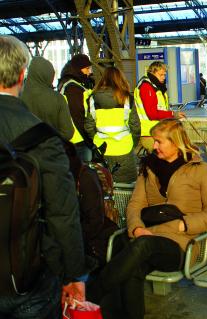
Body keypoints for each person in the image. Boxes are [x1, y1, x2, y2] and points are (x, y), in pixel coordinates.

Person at [88, 118, 207, 319]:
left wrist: (183, 224)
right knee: (133, 268)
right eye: (154, 141)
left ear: (176, 142)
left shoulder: (200, 170)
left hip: (180, 242)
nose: (154, 146)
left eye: (159, 141)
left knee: (140, 247)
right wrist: (136, 228)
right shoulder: (148, 168)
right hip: (145, 235)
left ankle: (89, 296)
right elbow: (136, 204)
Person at [0, 35, 89, 319]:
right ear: (22, 74)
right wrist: (73, 273)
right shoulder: (41, 138)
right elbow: (62, 212)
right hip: (26, 277)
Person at [64, 141, 119, 269]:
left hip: (92, 242)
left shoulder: (85, 177)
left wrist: (71, 240)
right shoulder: (67, 177)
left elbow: (95, 220)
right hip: (78, 236)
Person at [85, 66, 141, 184]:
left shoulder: (92, 99)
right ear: (121, 79)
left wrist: (97, 143)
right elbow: (135, 126)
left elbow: (89, 127)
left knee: (104, 187)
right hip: (124, 150)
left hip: (102, 151)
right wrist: (132, 144)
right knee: (127, 188)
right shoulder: (127, 99)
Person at [134, 61, 185, 153]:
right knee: (160, 160)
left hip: (156, 130)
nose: (163, 77)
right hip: (149, 132)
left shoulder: (156, 86)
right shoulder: (147, 87)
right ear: (152, 72)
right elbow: (152, 114)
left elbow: (161, 108)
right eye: (161, 75)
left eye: (164, 75)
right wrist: (173, 114)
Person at [20, 56, 75, 141]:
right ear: (49, 76)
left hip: (24, 151)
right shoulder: (58, 99)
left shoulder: (17, 97)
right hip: (52, 150)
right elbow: (68, 132)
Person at [58, 53, 95, 162]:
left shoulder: (69, 83)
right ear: (78, 69)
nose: (90, 72)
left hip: (73, 139)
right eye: (87, 68)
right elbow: (77, 115)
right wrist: (89, 139)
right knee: (83, 174)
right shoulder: (73, 88)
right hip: (79, 140)